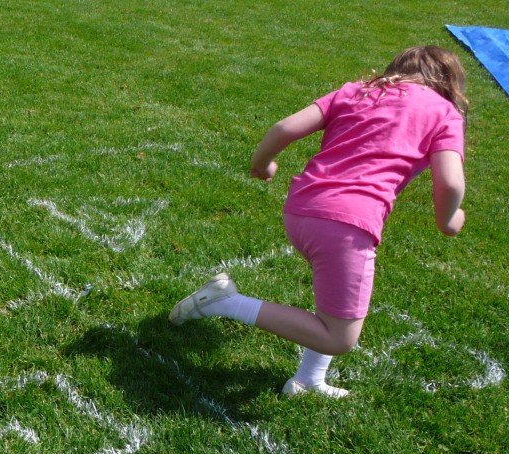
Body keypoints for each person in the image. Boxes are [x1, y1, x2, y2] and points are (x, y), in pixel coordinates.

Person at [170, 46, 467, 398]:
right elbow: (449, 182)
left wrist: (262, 163)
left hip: (301, 209)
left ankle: (310, 377)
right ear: (449, 84)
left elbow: (285, 127)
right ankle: (225, 302)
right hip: (347, 226)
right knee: (339, 336)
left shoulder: (357, 91)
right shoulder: (444, 112)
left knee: (335, 302)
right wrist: (449, 218)